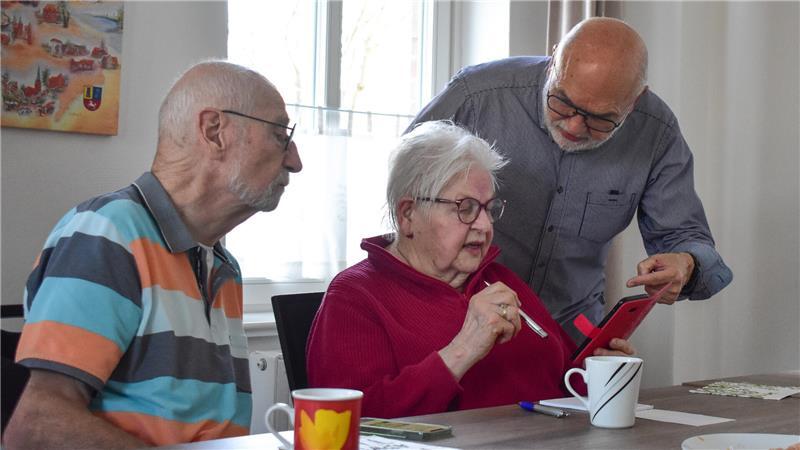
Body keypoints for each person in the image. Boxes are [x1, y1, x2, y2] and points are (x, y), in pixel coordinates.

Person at [3, 61, 303, 448]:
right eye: (280, 135)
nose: (295, 160)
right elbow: (37, 426)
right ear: (214, 132)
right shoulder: (107, 234)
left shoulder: (223, 266)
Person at [408, 17, 733, 343]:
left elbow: (688, 240)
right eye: (562, 102)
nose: (575, 127)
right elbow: (403, 193)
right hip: (457, 330)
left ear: (634, 101)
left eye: (601, 119)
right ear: (553, 63)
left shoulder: (656, 133)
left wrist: (686, 263)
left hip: (566, 344)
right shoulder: (478, 97)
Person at [306, 120, 633, 419]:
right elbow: (352, 421)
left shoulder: (500, 280)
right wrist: (463, 349)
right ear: (408, 215)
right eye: (465, 209)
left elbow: (565, 379)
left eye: (489, 209)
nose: (485, 225)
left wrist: (596, 369)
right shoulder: (355, 296)